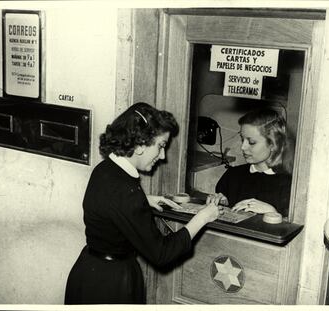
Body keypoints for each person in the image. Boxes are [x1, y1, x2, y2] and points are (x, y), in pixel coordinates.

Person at [64, 102, 222, 304]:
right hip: (113, 284)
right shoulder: (128, 192)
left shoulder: (105, 169)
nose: (162, 156)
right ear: (139, 145)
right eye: (161, 146)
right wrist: (202, 217)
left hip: (88, 273)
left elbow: (109, 203)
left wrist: (144, 200)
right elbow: (162, 254)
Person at [206, 108, 295, 217]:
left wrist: (272, 212)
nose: (243, 147)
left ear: (273, 144)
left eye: (251, 142)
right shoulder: (232, 175)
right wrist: (222, 205)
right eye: (242, 139)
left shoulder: (290, 184)